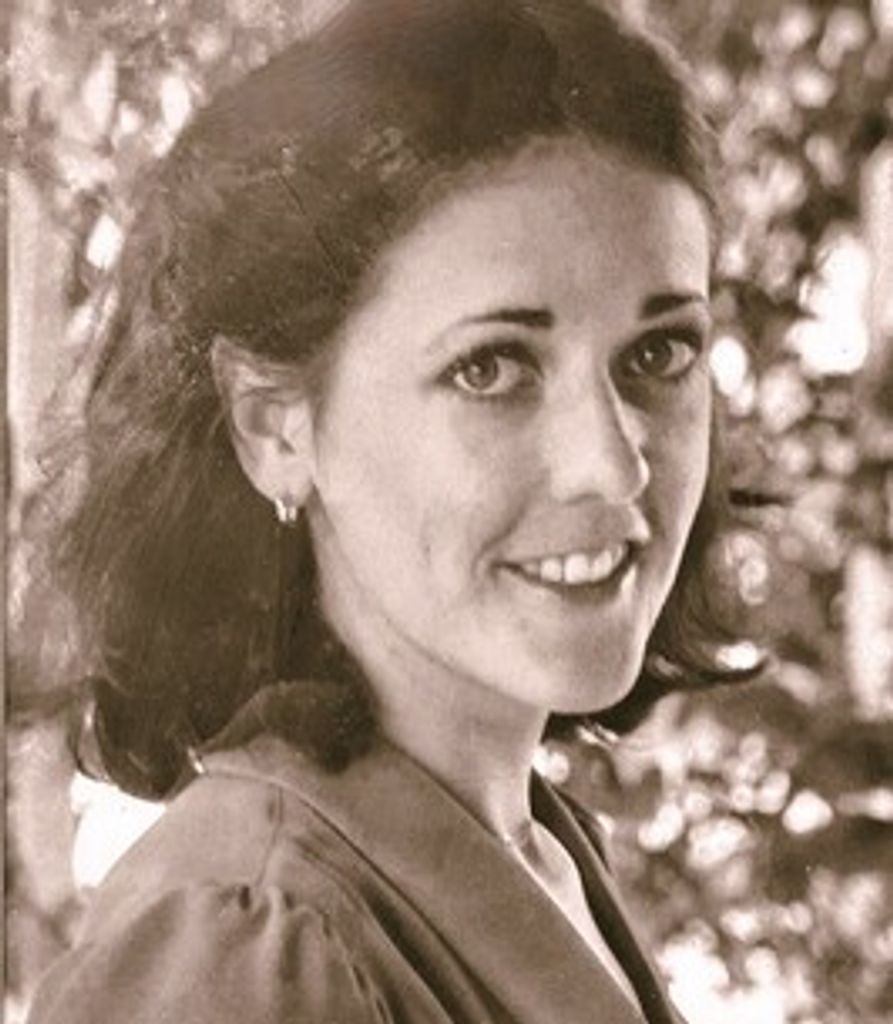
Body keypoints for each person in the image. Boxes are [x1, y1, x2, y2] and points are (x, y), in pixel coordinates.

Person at [25, 1, 755, 1021]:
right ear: (275, 428)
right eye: (490, 368)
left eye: (658, 353)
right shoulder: (246, 948)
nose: (613, 466)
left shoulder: (532, 849)